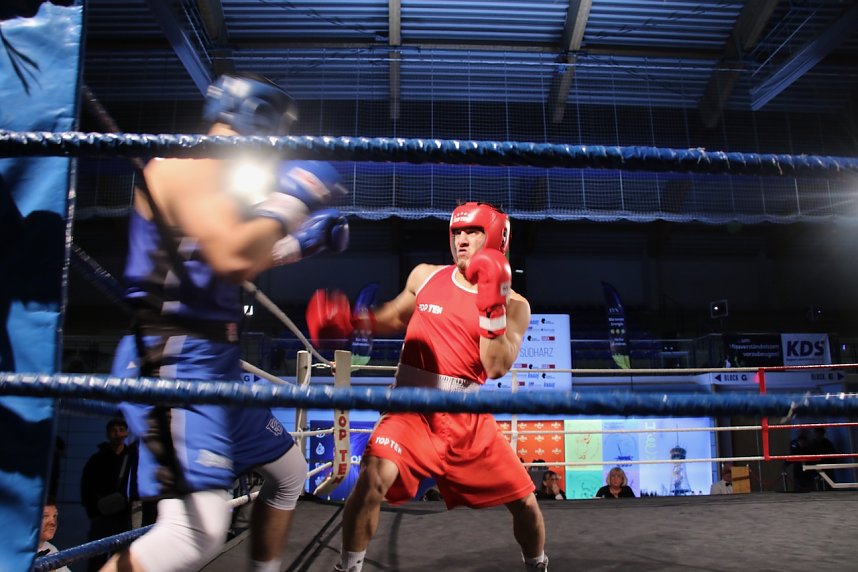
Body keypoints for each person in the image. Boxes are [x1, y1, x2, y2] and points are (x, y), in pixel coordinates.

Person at [101, 73, 349, 572]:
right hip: (175, 357)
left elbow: (241, 254)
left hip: (215, 361)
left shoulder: (218, 181)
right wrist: (297, 196)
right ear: (260, 120)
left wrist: (301, 243)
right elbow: (232, 257)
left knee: (289, 472)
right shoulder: (185, 166)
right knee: (195, 532)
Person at [307, 201, 549, 572]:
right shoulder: (426, 276)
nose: (461, 240)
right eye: (456, 232)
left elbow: (496, 366)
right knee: (371, 479)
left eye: (473, 232)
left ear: (497, 239)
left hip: (466, 418)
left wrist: (491, 307)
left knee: (525, 503)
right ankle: (348, 568)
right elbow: (395, 316)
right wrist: (353, 322)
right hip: (410, 411)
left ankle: (538, 565)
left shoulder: (515, 305)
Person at [80, 417, 137, 571]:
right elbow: (86, 486)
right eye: (113, 430)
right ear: (107, 434)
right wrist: (94, 513)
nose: (117, 434)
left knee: (121, 560)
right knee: (96, 559)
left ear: (126, 433)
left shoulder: (132, 459)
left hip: (124, 518)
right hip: (101, 517)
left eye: (121, 430)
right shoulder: (97, 459)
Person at [37, 499, 72, 571]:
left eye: (55, 516)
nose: (53, 523)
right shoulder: (16, 554)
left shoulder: (51, 549)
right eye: (45, 516)